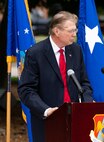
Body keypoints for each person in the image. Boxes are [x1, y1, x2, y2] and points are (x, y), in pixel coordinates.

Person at [18, 11, 93, 142]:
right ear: (56, 31)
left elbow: (84, 83)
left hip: (75, 118)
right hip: (47, 120)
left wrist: (86, 105)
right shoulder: (36, 53)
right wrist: (46, 110)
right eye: (71, 30)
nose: (74, 34)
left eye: (75, 30)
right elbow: (26, 90)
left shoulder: (76, 50)